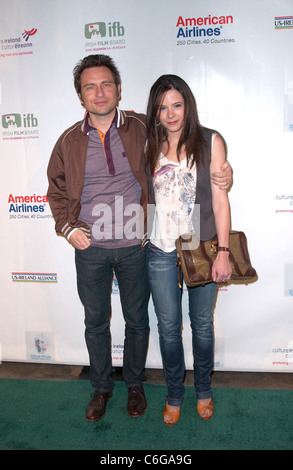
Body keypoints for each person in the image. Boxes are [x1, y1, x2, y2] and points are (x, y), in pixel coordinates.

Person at [47, 54, 232, 423]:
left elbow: (199, 147)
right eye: (90, 87)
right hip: (99, 248)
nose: (99, 93)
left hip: (138, 243)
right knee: (97, 322)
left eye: (106, 85)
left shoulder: (141, 127)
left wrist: (225, 174)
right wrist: (67, 228)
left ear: (118, 89)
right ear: (80, 95)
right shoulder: (69, 140)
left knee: (141, 322)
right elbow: (56, 187)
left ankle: (136, 385)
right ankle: (101, 389)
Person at [145, 74, 232, 425]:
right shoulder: (149, 144)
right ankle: (174, 393)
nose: (170, 114)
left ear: (188, 104)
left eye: (176, 105)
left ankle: (204, 391)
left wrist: (223, 251)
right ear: (155, 112)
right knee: (167, 327)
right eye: (163, 107)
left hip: (199, 243)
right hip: (159, 247)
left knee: (201, 325)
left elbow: (221, 201)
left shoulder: (210, 141)